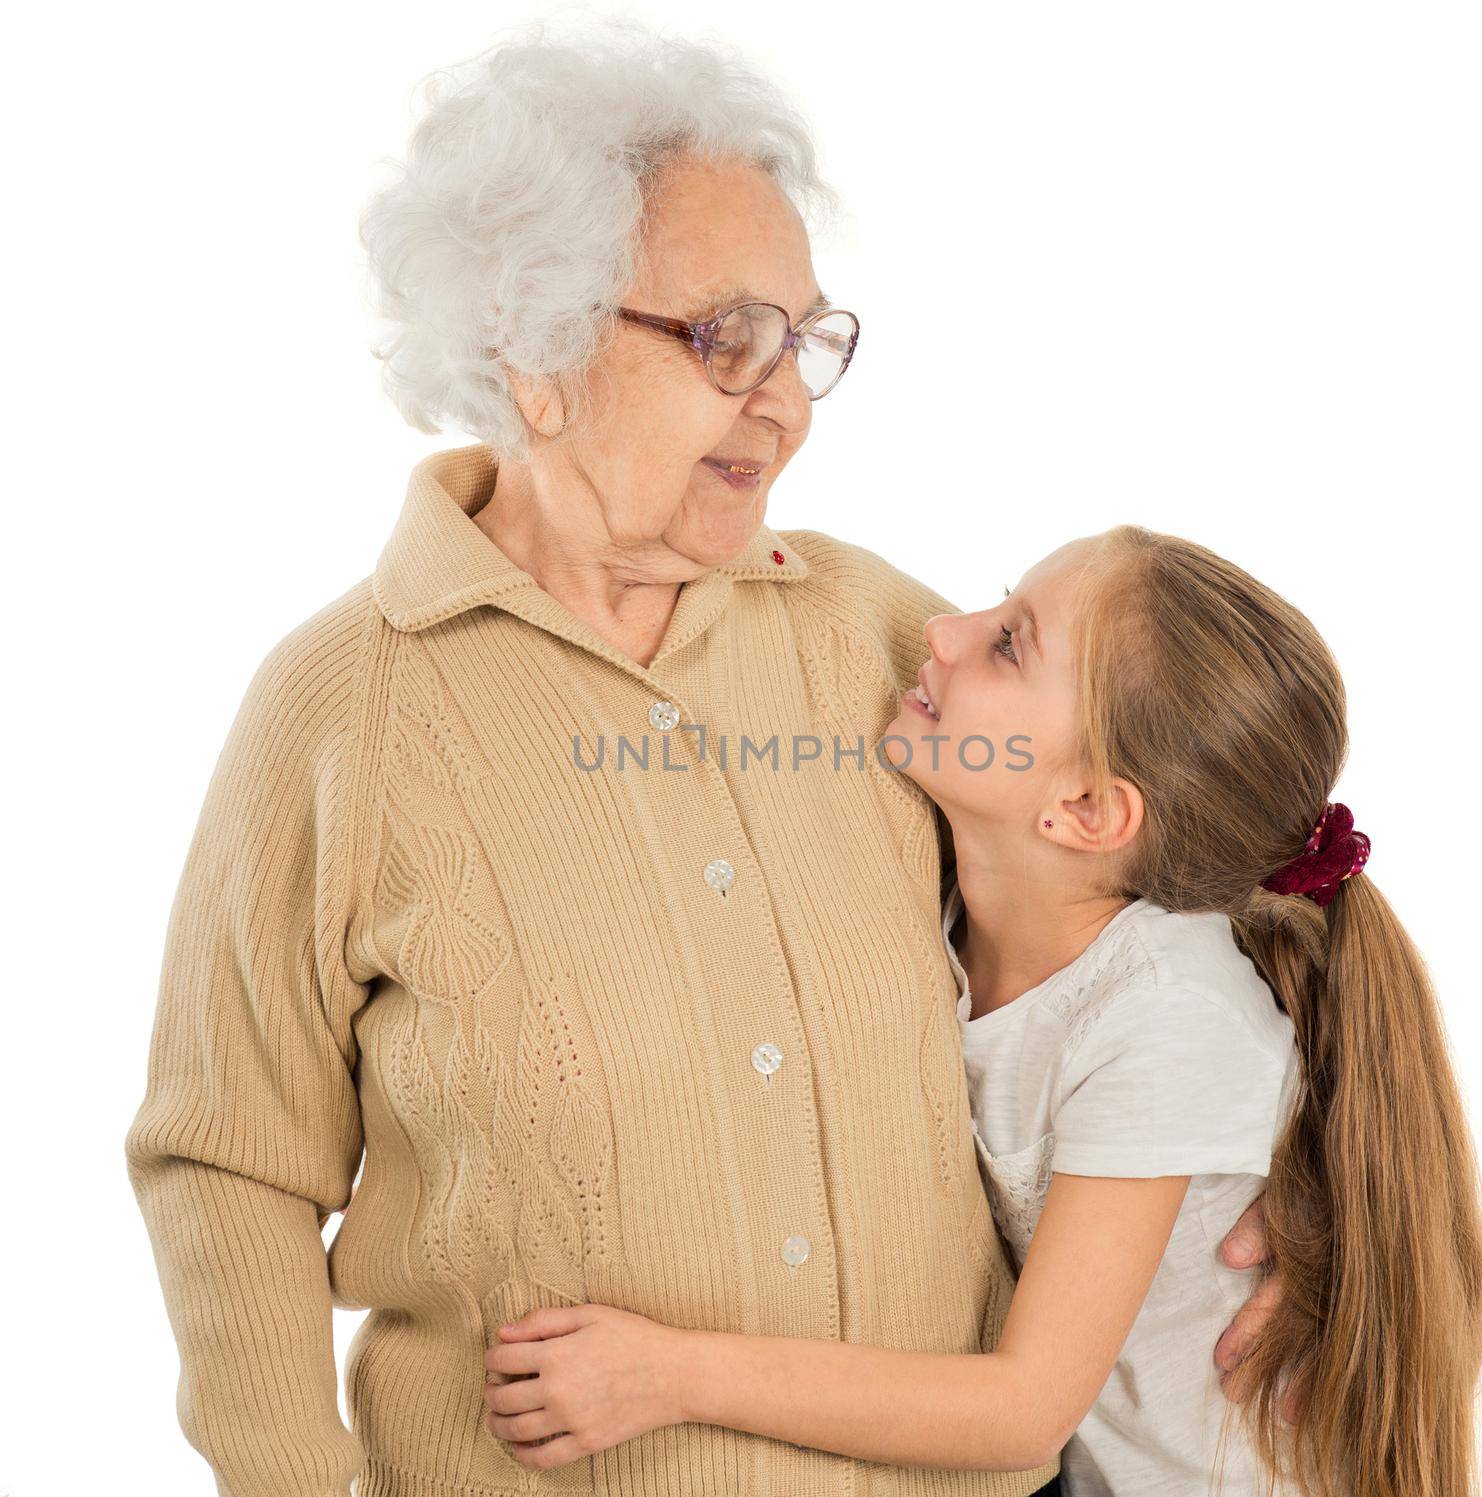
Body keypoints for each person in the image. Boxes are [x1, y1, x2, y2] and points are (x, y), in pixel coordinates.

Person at [124, 21, 1273, 1496]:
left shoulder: (875, 634)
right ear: (531, 349)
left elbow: (1169, 847)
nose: (785, 398)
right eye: (730, 336)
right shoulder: (347, 711)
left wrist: (1283, 1204)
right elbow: (229, 1165)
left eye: (805, 341)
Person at [482, 528, 1482, 1497]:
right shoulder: (965, 907)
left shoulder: (1161, 1020)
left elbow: (1020, 1412)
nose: (944, 632)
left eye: (1009, 642)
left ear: (1087, 812)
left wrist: (670, 1375)